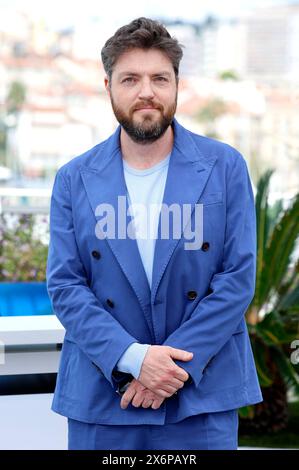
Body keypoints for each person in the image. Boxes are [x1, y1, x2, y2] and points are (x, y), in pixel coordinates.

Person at [46, 17, 263, 450]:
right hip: (103, 395)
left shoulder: (225, 167)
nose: (146, 91)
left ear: (176, 85)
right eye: (131, 78)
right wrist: (135, 359)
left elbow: (237, 278)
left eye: (159, 78)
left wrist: (168, 369)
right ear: (108, 86)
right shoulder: (73, 178)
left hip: (201, 394)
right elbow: (67, 285)